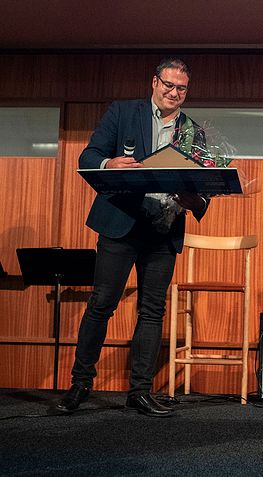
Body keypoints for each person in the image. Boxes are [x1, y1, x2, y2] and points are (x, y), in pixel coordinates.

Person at [56, 58, 210, 417]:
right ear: (154, 82)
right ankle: (80, 384)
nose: (174, 92)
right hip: (121, 223)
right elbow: (88, 155)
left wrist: (197, 200)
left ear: (187, 91)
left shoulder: (193, 131)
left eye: (181, 88)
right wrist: (109, 163)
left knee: (153, 311)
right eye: (169, 85)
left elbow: (202, 187)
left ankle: (140, 391)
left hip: (163, 229)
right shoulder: (123, 112)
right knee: (101, 304)